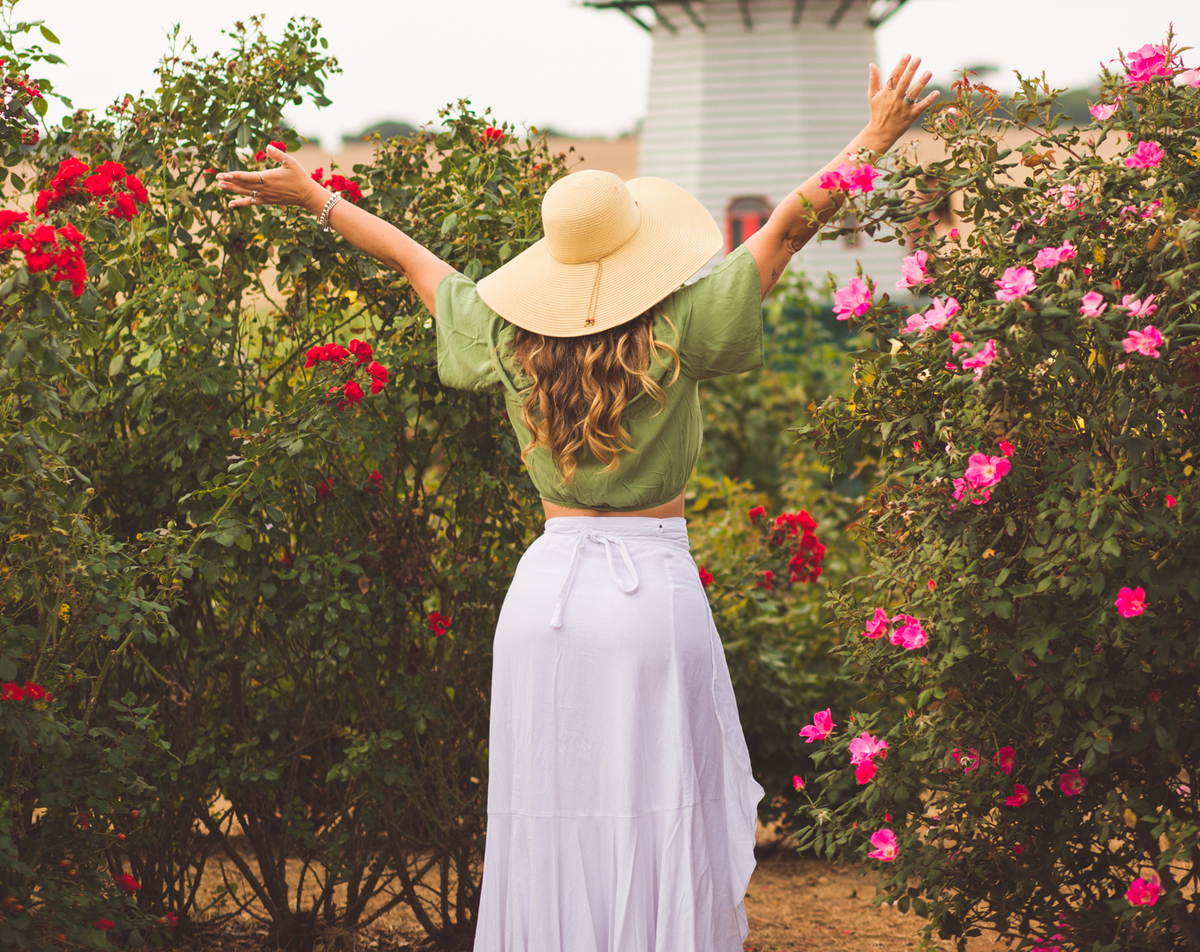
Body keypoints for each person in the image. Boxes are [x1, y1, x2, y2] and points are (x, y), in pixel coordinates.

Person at [219, 53, 936, 952]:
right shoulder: (683, 320)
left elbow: (411, 255)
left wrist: (317, 198)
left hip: (544, 600)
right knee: (661, 815)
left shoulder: (506, 329)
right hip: (650, 592)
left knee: (548, 821)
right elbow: (789, 227)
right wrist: (873, 138)